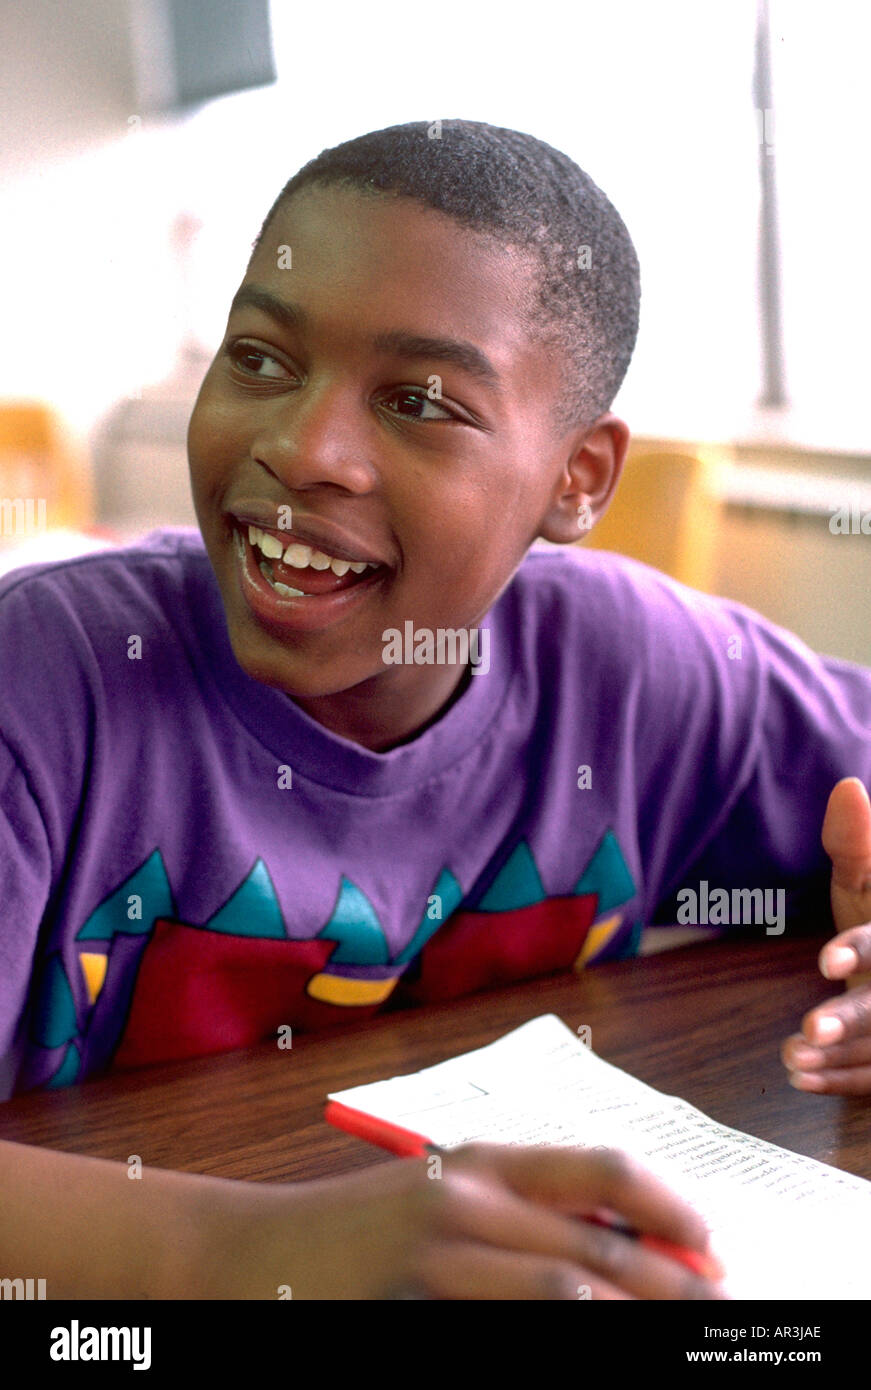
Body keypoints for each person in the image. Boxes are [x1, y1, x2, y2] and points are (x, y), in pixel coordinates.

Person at [1, 119, 869, 1300]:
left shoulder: (635, 670)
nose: (304, 448)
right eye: (259, 358)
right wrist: (245, 1253)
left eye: (416, 399)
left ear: (578, 480)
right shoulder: (43, 691)